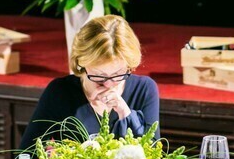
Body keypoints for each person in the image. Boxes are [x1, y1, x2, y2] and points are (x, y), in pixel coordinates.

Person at [19, 15, 159, 151]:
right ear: (82, 64)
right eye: (99, 76)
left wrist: (124, 112)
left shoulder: (144, 89)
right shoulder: (60, 91)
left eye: (118, 75)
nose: (109, 84)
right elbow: (25, 153)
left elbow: (154, 155)